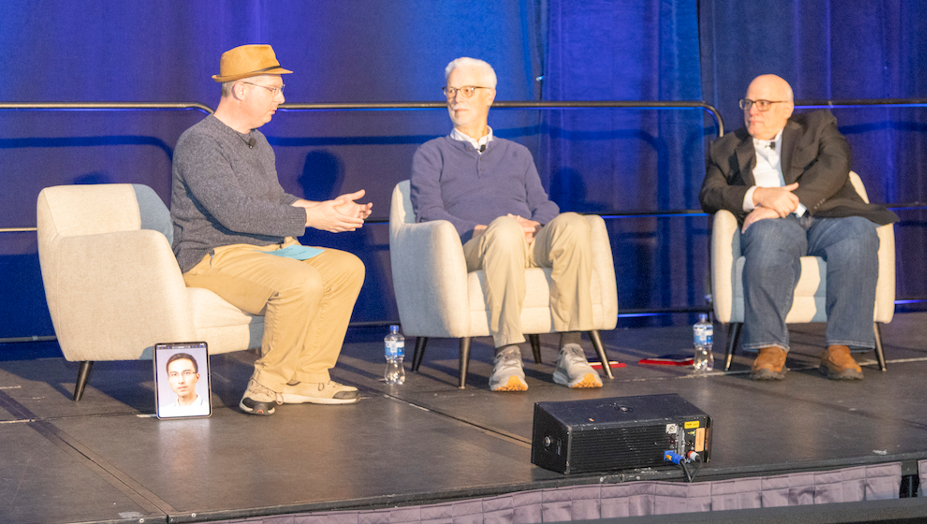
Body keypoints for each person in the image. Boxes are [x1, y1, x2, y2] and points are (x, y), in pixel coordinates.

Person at [170, 44, 372, 414]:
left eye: (280, 89)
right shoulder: (200, 142)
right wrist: (312, 220)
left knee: (347, 268)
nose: (281, 97)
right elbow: (235, 214)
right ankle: (266, 383)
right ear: (241, 89)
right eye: (273, 89)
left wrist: (325, 208)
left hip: (266, 250)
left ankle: (308, 377)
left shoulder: (258, 142)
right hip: (214, 255)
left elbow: (275, 199)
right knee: (300, 280)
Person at [410, 57, 603, 392]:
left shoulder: (517, 153)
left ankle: (571, 351)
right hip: (473, 245)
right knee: (504, 230)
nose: (457, 98)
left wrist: (536, 224)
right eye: (451, 91)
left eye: (467, 90)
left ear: (490, 96)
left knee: (573, 223)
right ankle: (508, 353)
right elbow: (428, 212)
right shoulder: (431, 153)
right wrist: (483, 229)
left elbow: (544, 204)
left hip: (525, 240)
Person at [699, 74, 899, 381]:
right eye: (748, 103)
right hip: (771, 222)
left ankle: (840, 348)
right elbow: (710, 194)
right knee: (766, 238)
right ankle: (770, 348)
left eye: (764, 103)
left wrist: (791, 200)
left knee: (859, 234)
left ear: (788, 108)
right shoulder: (725, 148)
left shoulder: (817, 125)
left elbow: (836, 164)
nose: (753, 110)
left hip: (826, 213)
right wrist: (759, 196)